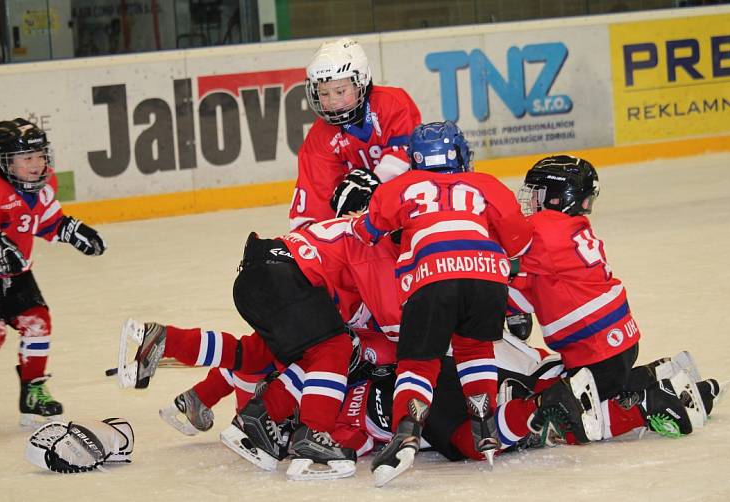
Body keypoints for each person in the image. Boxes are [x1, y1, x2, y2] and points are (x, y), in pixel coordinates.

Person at [118, 218, 401, 480]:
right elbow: (396, 325)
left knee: (253, 354)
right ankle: (312, 434)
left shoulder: (355, 232)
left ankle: (167, 340)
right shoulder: (380, 249)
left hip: (257, 273)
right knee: (334, 346)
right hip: (285, 278)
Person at [351, 120, 534, 486]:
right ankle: (484, 420)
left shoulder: (400, 186)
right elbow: (519, 245)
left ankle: (406, 430)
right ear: (461, 154)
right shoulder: (486, 184)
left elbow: (364, 232)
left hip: (432, 277)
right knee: (474, 346)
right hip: (486, 277)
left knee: (419, 362)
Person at [507, 155, 710, 440]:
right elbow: (531, 290)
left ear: (556, 197)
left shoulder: (543, 229)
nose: (531, 200)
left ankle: (653, 403)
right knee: (603, 388)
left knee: (568, 419)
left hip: (596, 351)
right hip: (617, 343)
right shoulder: (570, 230)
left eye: (537, 192)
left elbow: (507, 264)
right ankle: (655, 375)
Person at [0, 118, 106, 439]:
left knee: (38, 321)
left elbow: (45, 220)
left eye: (40, 155)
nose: (37, 164)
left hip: (15, 272)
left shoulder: (43, 186)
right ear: (5, 161)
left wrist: (70, 231)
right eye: (27, 158)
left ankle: (33, 392)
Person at [290, 37, 422, 229]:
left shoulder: (392, 103)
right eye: (324, 94)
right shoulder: (318, 138)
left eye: (340, 91)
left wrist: (373, 183)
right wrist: (313, 239)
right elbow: (315, 200)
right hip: (361, 222)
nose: (332, 101)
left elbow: (407, 155)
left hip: (409, 207)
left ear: (360, 82)